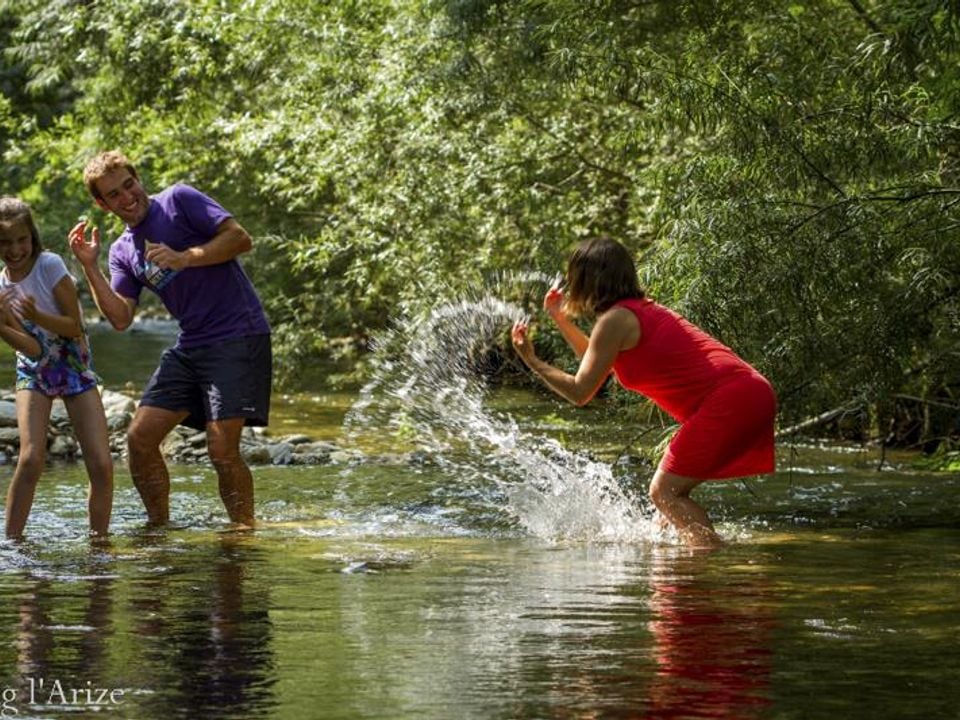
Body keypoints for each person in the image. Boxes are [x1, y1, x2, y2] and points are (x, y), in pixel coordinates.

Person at [511, 236, 776, 548]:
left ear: (587, 279)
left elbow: (581, 391)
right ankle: (686, 567)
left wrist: (531, 360)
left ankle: (706, 570)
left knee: (664, 493)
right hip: (749, 393)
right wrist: (559, 318)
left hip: (731, 399)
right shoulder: (631, 313)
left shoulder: (615, 320)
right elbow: (596, 362)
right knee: (665, 510)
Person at [68, 150, 272, 529]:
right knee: (139, 439)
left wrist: (186, 257)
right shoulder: (122, 251)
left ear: (138, 178)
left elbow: (240, 239)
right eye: (113, 194)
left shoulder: (179, 200)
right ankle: (159, 528)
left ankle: (244, 532)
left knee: (221, 448)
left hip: (238, 333)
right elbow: (120, 318)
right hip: (192, 343)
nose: (127, 197)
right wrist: (89, 266)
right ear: (102, 203)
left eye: (129, 184)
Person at [0, 197, 113, 539]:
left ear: (32, 237)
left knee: (101, 463)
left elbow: (74, 326)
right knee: (31, 457)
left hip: (73, 361)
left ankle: (99, 543)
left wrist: (36, 316)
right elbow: (32, 349)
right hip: (34, 369)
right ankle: (12, 544)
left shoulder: (49, 265)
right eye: (5, 242)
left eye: (22, 240)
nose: (15, 249)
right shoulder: (1, 286)